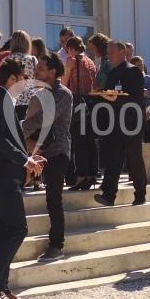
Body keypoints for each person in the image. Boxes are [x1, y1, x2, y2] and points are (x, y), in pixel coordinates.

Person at [0, 58, 46, 299]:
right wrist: (25, 160)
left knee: (8, 232)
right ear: (11, 79)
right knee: (18, 230)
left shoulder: (3, 101)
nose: (25, 85)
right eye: (22, 80)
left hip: (5, 175)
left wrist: (27, 158)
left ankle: (0, 286)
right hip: (1, 176)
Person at [23, 51, 72, 261]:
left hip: (57, 152)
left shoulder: (63, 94)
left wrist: (19, 129)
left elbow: (43, 118)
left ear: (53, 71)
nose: (36, 71)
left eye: (41, 68)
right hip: (38, 152)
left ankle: (57, 244)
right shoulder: (41, 92)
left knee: (54, 199)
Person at [94, 41, 148, 207]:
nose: (109, 56)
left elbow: (136, 98)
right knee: (114, 158)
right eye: (108, 53)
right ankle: (109, 195)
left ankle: (140, 194)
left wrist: (116, 98)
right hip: (115, 121)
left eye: (112, 52)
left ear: (122, 52)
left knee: (134, 158)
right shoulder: (112, 73)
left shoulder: (133, 71)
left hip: (131, 121)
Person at [63, 35, 98, 189]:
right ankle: (91, 174)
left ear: (71, 49)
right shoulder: (90, 62)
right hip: (91, 102)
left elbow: (64, 83)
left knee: (78, 141)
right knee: (90, 141)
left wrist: (67, 69)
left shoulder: (72, 61)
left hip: (77, 104)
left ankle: (81, 175)